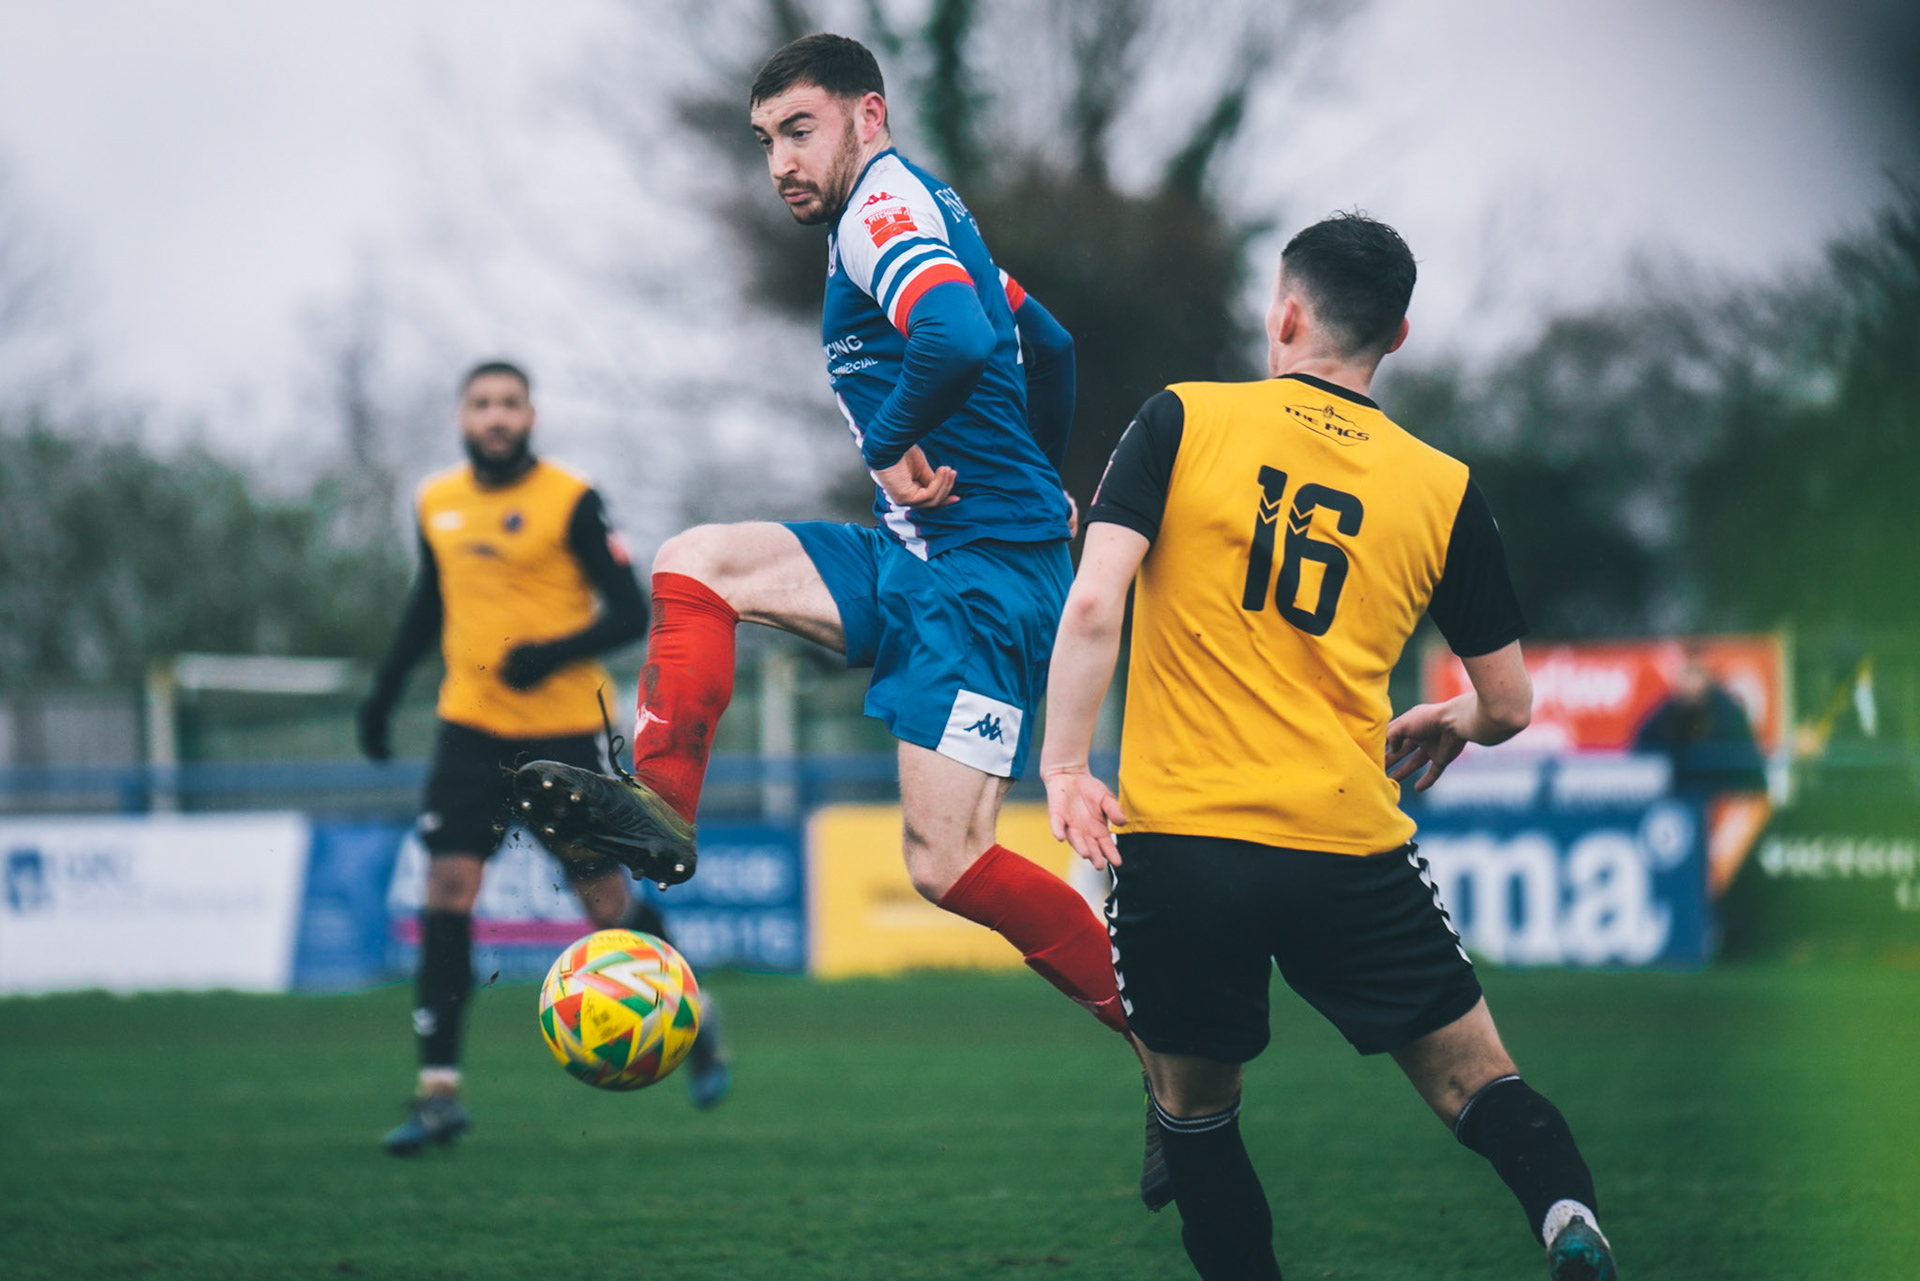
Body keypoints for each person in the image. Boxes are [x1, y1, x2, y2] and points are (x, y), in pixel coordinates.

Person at [512, 33, 1132, 1057]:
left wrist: (890, 445)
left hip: (984, 580)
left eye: (800, 130)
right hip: (922, 556)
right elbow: (1048, 344)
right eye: (766, 141)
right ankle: (660, 806)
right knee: (697, 561)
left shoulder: (883, 211)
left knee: (947, 861)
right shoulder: (911, 209)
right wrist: (1039, 471)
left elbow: (959, 335)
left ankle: (1161, 1035)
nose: (781, 163)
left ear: (869, 115)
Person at [1040, 215, 1618, 1280]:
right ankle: (1567, 1218)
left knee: (1194, 1119)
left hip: (1185, 844)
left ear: (1285, 315)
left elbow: (1092, 605)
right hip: (1347, 849)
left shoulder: (1181, 418)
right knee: (1480, 1084)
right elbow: (1510, 702)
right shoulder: (1442, 486)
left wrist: (1067, 766)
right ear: (1396, 336)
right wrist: (1451, 719)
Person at [358, 360, 730, 1156]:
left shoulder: (571, 498)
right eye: (481, 404)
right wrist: (382, 693)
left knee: (605, 903)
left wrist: (549, 653)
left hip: (561, 732)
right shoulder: (435, 500)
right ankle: (438, 1091)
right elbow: (430, 602)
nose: (495, 417)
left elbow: (629, 608)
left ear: (530, 415)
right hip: (468, 727)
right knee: (447, 888)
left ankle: (692, 1018)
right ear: (462, 417)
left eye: (509, 404)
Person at [1634, 646, 1771, 894]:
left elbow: (1751, 776)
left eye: (1697, 672)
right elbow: (1641, 755)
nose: (1691, 681)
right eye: (1686, 673)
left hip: (1724, 813)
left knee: (1720, 879)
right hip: (1680, 816)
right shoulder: (1666, 715)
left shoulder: (1727, 712)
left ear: (1707, 674)